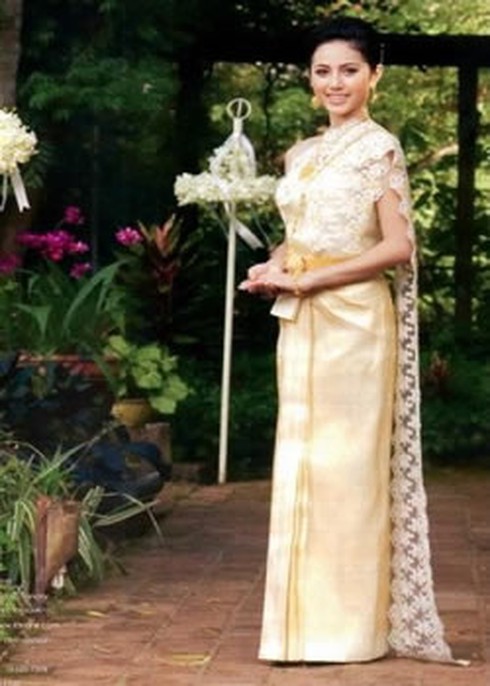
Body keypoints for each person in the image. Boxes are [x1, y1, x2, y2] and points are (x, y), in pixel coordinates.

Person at [239, 16, 456, 665]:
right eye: (323, 71)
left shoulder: (379, 148)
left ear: (374, 76)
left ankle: (347, 633)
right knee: (301, 459)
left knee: (347, 470)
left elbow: (397, 246)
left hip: (356, 323)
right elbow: (301, 237)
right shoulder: (300, 154)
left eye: (349, 70)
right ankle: (294, 633)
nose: (335, 82)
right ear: (310, 79)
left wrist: (312, 280)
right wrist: (274, 266)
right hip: (300, 319)